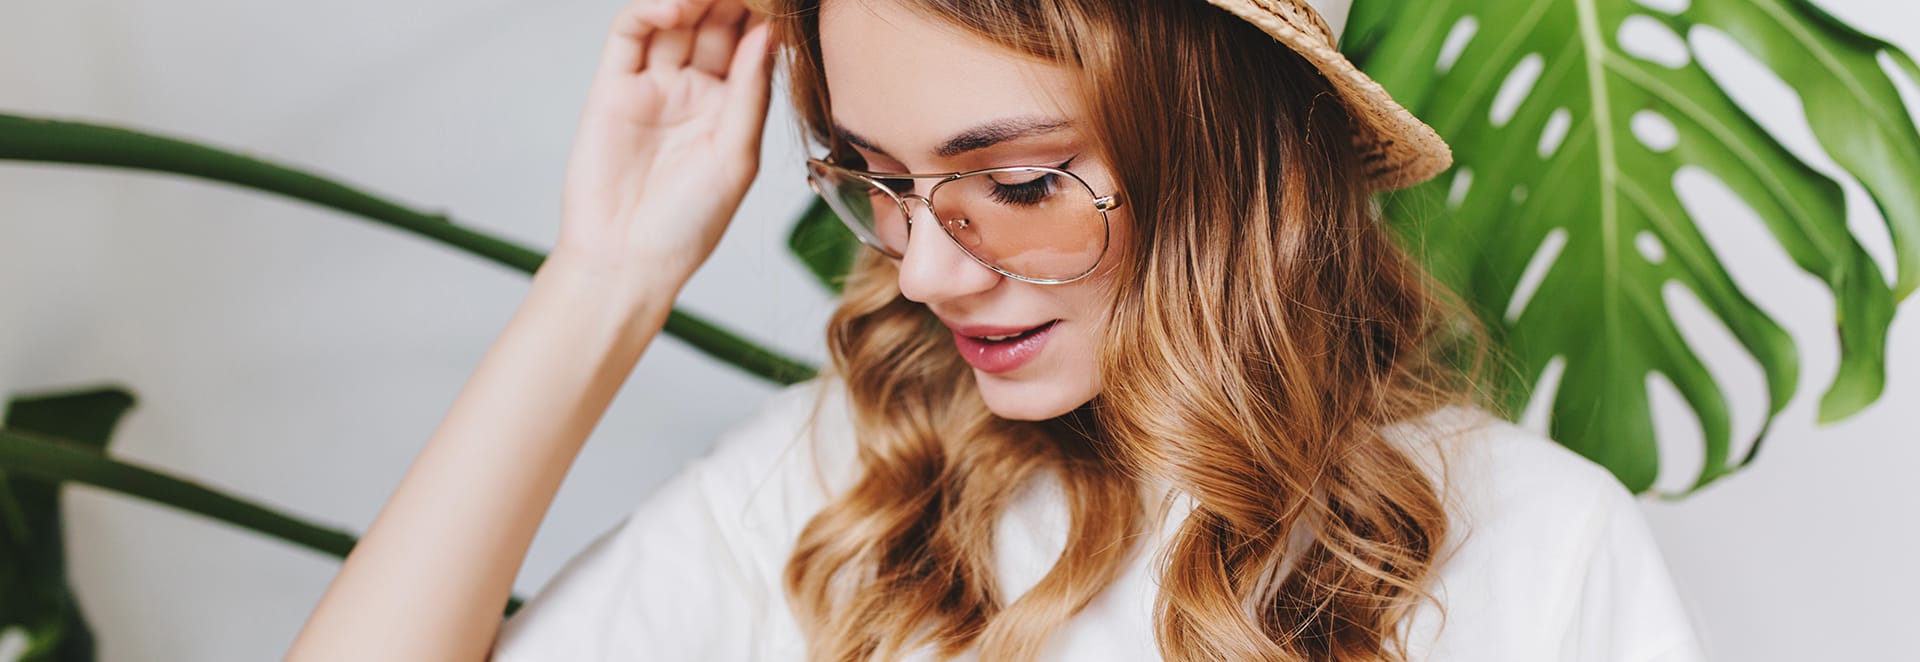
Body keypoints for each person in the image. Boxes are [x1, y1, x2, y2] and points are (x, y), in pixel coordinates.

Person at [286, 0, 1709, 660]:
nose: (925, 275)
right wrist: (604, 276)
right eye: (884, 184)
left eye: (1019, 184)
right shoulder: (842, 489)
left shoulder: (1540, 552)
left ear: (1230, 159)